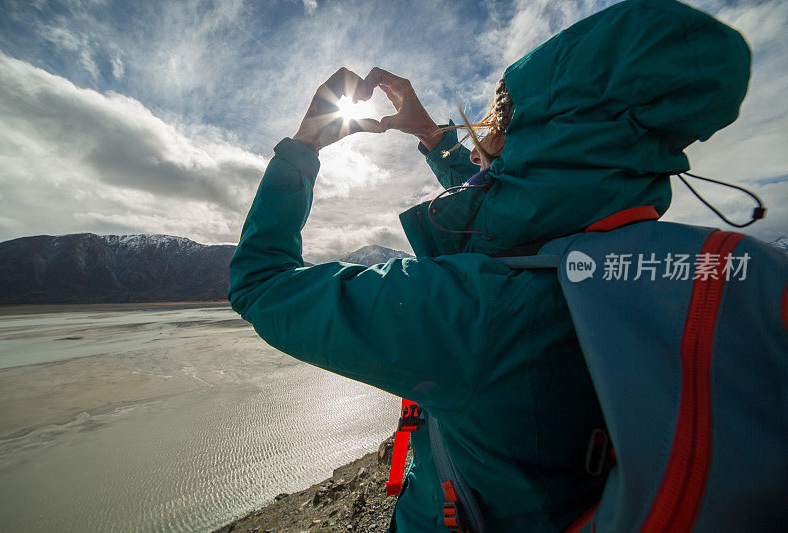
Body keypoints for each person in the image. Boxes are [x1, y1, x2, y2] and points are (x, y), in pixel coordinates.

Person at [228, 0, 751, 530]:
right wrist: (433, 135)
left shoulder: (475, 310)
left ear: (535, 135)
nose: (477, 142)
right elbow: (528, 209)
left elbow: (260, 283)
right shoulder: (645, 262)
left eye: (496, 119)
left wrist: (303, 145)